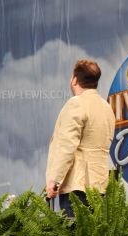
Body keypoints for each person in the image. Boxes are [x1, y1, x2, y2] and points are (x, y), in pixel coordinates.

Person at [46, 59, 116, 217]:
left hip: (78, 187)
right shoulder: (107, 108)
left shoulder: (76, 104)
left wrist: (54, 181)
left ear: (74, 79)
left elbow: (66, 147)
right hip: (101, 186)